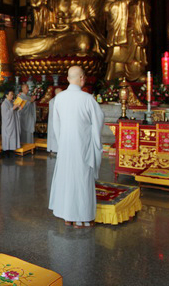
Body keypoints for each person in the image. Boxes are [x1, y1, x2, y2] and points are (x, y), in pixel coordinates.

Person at [49, 66, 104, 228]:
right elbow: (98, 122)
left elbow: (56, 125)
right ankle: (83, 217)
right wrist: (95, 143)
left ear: (67, 79)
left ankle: (67, 216)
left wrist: (62, 141)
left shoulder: (59, 98)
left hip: (66, 145)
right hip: (83, 146)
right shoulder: (87, 99)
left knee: (67, 179)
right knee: (81, 180)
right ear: (82, 78)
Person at [104, 0, 150, 82]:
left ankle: (136, 73)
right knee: (119, 54)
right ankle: (118, 72)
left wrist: (139, 3)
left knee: (136, 58)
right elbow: (107, 9)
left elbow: (147, 14)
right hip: (120, 33)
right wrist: (127, 1)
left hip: (135, 31)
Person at [46, 87, 63, 153]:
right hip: (54, 121)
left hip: (61, 121)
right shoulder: (52, 101)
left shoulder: (63, 100)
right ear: (57, 93)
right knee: (54, 135)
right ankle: (54, 149)